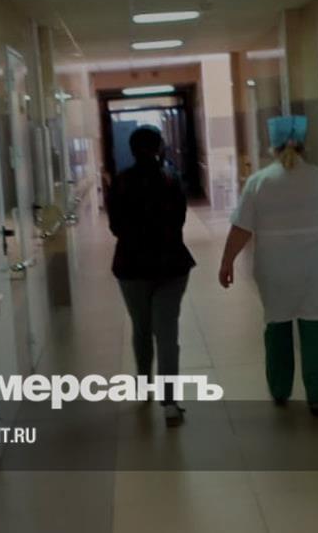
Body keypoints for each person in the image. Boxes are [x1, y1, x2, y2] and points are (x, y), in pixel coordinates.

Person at [218, 115, 318, 416]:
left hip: (274, 267)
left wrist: (227, 262)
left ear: (272, 146)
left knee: (277, 326)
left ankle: (280, 390)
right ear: (304, 145)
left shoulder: (259, 182)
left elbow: (241, 228)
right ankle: (317, 396)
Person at [106, 125, 195, 427]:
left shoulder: (120, 182)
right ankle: (170, 404)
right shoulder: (171, 180)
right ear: (160, 147)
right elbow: (180, 219)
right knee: (167, 333)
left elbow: (115, 227)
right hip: (171, 265)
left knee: (141, 328)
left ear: (131, 150)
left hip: (131, 267)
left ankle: (144, 387)